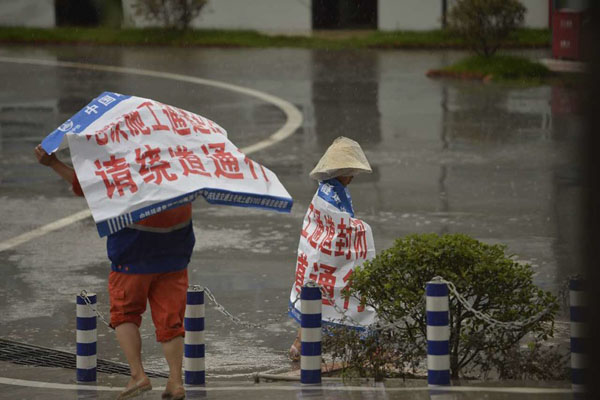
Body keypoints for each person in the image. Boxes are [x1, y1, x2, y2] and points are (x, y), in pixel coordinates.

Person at [34, 144, 191, 400]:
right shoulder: (181, 166)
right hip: (175, 258)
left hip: (132, 257)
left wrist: (54, 164)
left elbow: (86, 187)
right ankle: (175, 382)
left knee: (125, 314)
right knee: (171, 322)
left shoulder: (123, 166)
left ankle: (138, 375)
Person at [289, 136, 372, 360]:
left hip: (319, 255)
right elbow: (338, 224)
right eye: (350, 171)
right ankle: (301, 345)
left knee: (317, 300)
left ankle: (301, 344)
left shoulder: (327, 190)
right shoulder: (332, 194)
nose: (352, 176)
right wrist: (359, 229)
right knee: (326, 297)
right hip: (326, 257)